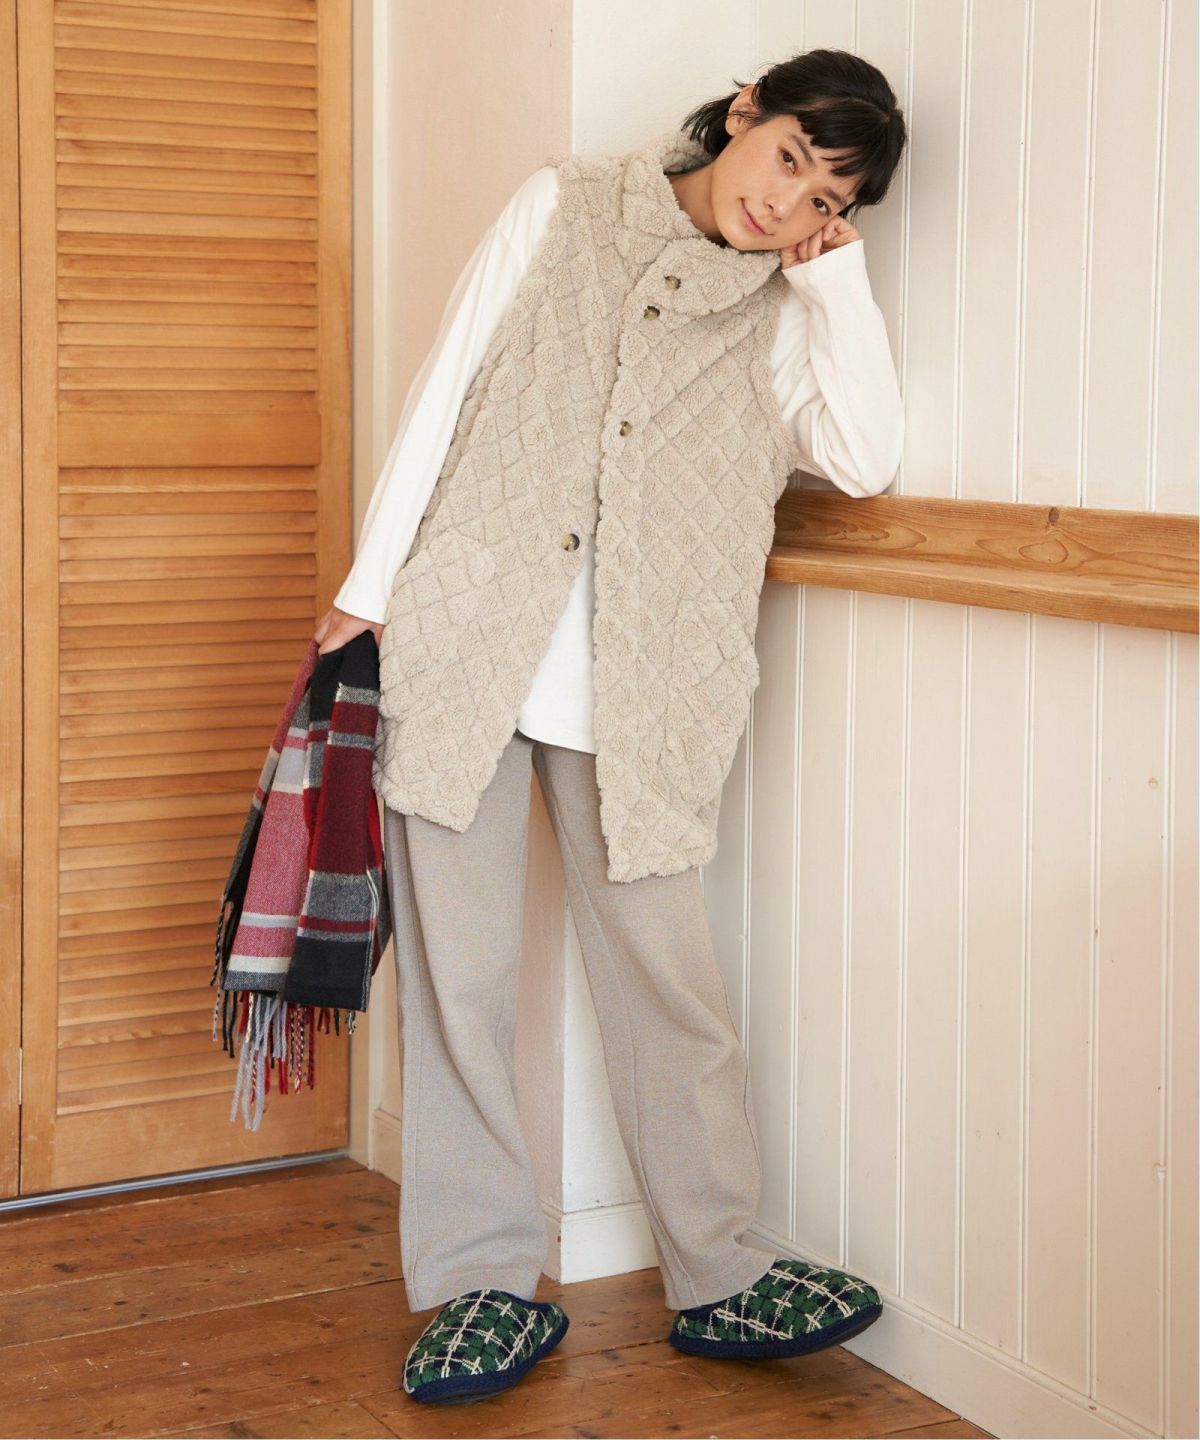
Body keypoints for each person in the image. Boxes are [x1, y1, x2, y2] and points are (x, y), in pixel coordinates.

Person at [315, 48, 907, 1406]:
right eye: (790, 157)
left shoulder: (786, 309)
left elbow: (866, 456)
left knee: (669, 988)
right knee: (461, 989)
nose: (789, 202)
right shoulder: (564, 204)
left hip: (643, 696)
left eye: (828, 195)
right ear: (743, 113)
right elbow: (446, 389)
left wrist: (837, 282)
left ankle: (722, 1270)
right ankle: (479, 1280)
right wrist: (367, 593)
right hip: (467, 646)